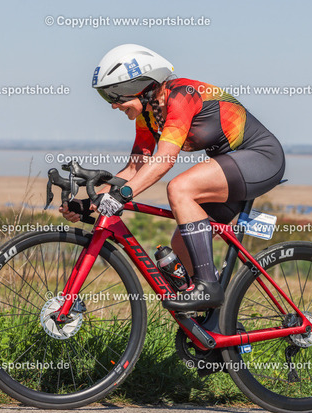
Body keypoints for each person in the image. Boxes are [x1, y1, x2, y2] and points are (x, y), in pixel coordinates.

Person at [60, 44, 285, 311]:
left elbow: (165, 159)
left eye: (115, 94)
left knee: (180, 188)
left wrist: (123, 196)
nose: (112, 105)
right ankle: (210, 322)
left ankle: (208, 288)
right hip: (231, 169)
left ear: (140, 85)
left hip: (261, 158)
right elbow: (135, 169)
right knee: (181, 244)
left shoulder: (181, 96)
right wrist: (90, 202)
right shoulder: (147, 115)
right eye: (105, 96)